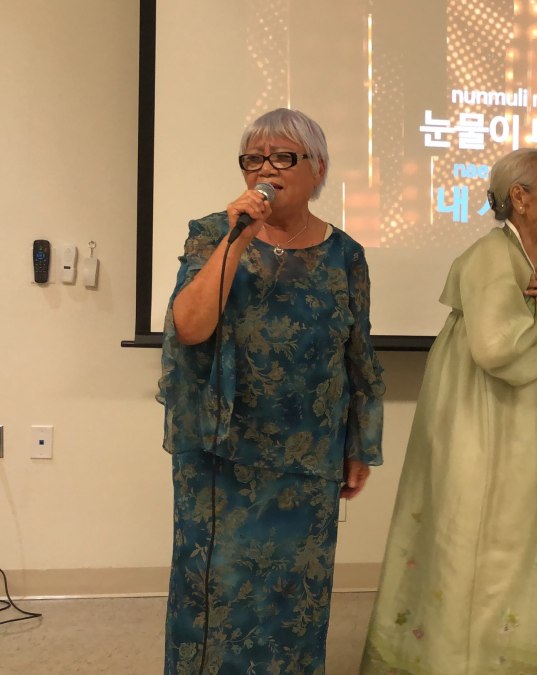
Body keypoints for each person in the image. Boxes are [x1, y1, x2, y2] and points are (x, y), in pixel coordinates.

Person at [157, 107, 386, 673]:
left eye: (283, 157)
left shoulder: (346, 255)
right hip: (221, 452)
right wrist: (238, 240)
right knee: (212, 593)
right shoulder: (213, 233)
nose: (266, 169)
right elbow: (189, 327)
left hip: (307, 455)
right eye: (254, 158)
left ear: (318, 168)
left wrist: (359, 443)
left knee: (293, 597)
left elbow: (357, 353)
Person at [361, 148, 537, 675]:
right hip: (484, 423)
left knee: (523, 534)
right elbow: (495, 349)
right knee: (488, 536)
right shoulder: (490, 257)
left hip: (526, 420)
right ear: (519, 197)